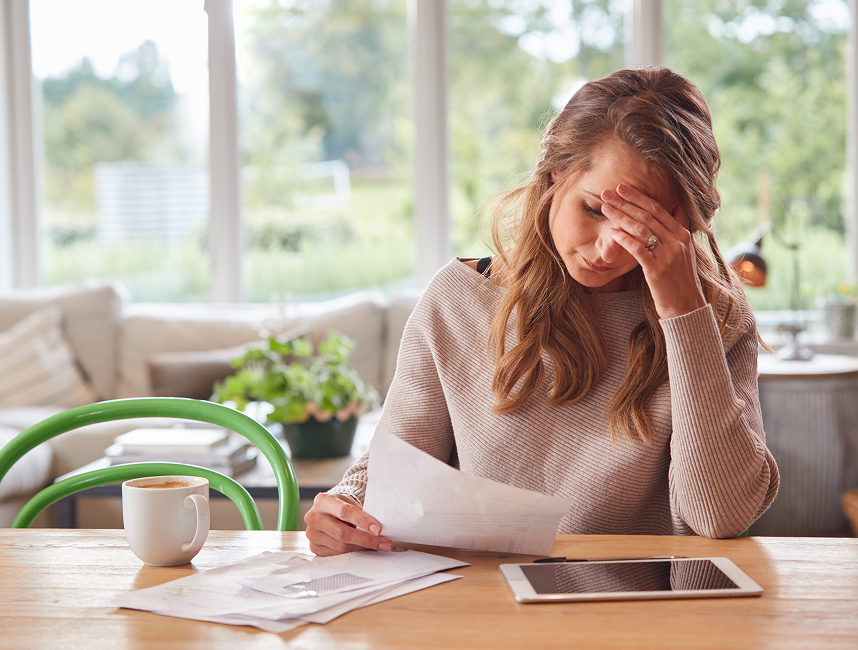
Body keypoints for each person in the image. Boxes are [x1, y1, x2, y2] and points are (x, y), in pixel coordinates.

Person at [304, 66, 779, 556]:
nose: (609, 250)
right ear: (555, 175)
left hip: (641, 617)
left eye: (644, 227)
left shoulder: (715, 319)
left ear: (683, 220)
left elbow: (719, 516)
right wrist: (344, 508)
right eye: (595, 210)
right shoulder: (458, 300)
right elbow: (396, 471)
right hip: (484, 612)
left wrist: (682, 313)